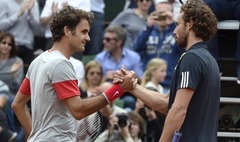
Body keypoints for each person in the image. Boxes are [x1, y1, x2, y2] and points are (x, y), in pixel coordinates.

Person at [11, 6, 137, 141]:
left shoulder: (38, 60)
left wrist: (35, 136)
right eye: (83, 32)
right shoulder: (61, 63)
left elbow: (17, 105)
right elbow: (78, 110)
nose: (88, 38)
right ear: (67, 31)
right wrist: (118, 89)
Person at [114, 1, 220, 141]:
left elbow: (178, 110)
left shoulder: (191, 58)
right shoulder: (209, 60)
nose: (174, 31)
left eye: (177, 24)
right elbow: (166, 104)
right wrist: (132, 86)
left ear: (189, 25)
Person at [132, 1, 185, 94]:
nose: (162, 16)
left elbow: (182, 48)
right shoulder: (148, 31)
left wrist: (173, 24)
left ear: (172, 14)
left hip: (169, 83)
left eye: (165, 13)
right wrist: (148, 27)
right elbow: (136, 48)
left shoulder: (176, 32)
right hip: (148, 82)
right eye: (159, 13)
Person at [95, 25, 143, 111]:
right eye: (104, 39)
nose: (104, 42)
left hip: (128, 92)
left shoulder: (134, 57)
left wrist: (128, 75)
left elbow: (141, 80)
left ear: (119, 42)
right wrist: (105, 77)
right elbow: (93, 81)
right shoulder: (99, 58)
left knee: (129, 101)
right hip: (106, 91)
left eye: (108, 39)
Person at [0, 0, 40, 74]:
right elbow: (1, 26)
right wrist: (18, 14)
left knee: (26, 79)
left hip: (27, 46)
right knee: (8, 76)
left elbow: (37, 28)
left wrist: (30, 13)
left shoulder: (32, 2)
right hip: (9, 46)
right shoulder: (3, 2)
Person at [0, 32, 24, 96]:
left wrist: (12, 75)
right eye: (4, 43)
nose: (6, 46)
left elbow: (16, 88)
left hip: (10, 96)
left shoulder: (18, 61)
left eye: (9, 44)